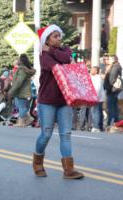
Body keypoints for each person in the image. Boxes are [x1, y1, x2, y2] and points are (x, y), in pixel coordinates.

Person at [33, 24, 84, 179]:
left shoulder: (64, 51)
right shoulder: (44, 56)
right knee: (46, 133)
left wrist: (55, 50)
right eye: (55, 36)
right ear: (46, 40)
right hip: (47, 100)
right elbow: (57, 67)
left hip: (64, 100)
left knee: (66, 134)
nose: (59, 38)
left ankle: (69, 170)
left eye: (59, 35)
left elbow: (67, 57)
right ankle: (38, 162)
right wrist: (56, 53)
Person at [8, 54, 36, 127]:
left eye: (19, 59)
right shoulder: (24, 69)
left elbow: (19, 82)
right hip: (23, 91)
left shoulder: (22, 70)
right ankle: (29, 118)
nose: (18, 60)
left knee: (21, 107)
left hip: (22, 91)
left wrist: (11, 91)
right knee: (20, 105)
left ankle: (21, 122)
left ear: (21, 61)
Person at [104, 55, 123, 128]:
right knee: (114, 105)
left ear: (113, 60)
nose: (108, 60)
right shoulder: (115, 66)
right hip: (113, 89)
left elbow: (111, 79)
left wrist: (108, 88)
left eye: (109, 59)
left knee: (111, 106)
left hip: (112, 89)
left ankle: (112, 122)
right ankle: (115, 121)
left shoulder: (115, 67)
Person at [90, 66, 105, 132]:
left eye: (93, 70)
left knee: (95, 112)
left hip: (96, 97)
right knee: (98, 111)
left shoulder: (97, 78)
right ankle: (100, 126)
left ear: (96, 71)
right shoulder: (94, 77)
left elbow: (97, 88)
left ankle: (96, 126)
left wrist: (95, 96)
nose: (91, 71)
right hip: (98, 97)